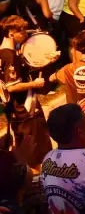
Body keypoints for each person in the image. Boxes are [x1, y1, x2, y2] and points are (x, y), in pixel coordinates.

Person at [0, 15, 52, 167]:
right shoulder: (10, 56)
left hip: (16, 111)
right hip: (24, 111)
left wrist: (48, 60)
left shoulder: (5, 52)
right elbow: (11, 86)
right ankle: (37, 185)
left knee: (29, 149)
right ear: (10, 33)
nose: (25, 34)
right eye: (21, 31)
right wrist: (34, 84)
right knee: (36, 153)